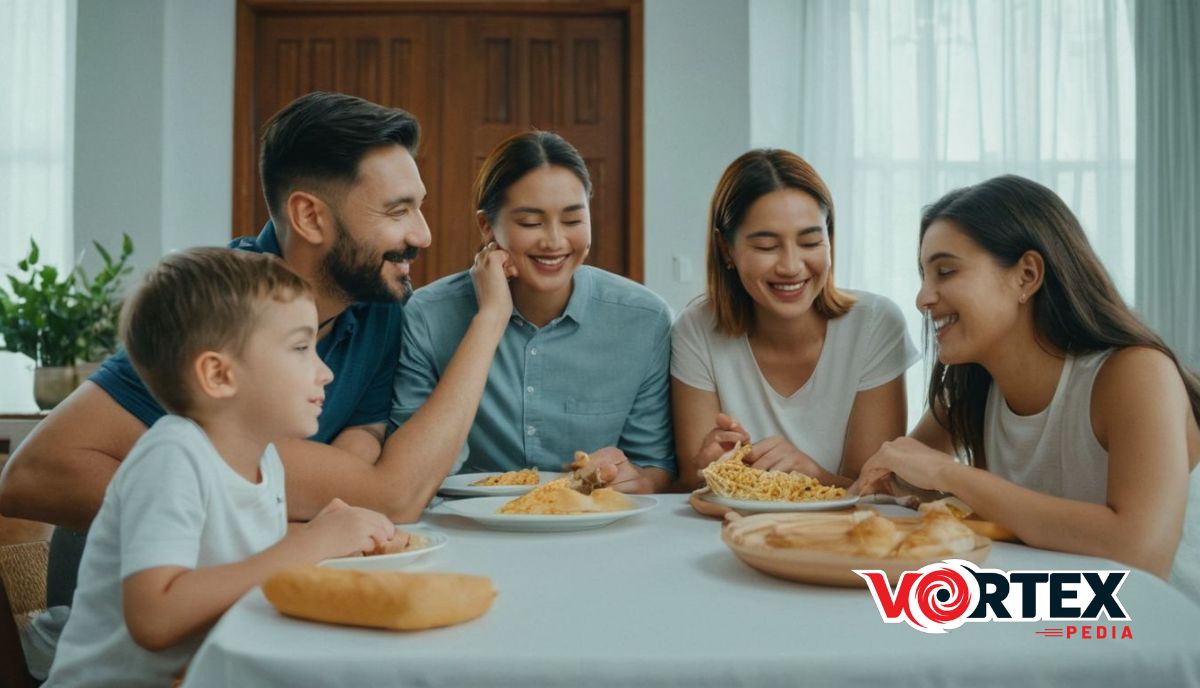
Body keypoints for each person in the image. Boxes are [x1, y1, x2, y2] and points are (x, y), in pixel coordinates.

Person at [0, 92, 512, 610]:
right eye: (397, 210)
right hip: (135, 615)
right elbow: (30, 477)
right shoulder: (214, 309)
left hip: (268, 593)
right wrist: (263, 526)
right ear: (310, 217)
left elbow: (363, 473)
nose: (422, 234)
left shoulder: (378, 305)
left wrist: (311, 505)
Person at [43, 248, 397, 687]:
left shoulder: (264, 457)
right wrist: (307, 545)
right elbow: (154, 617)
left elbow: (240, 567)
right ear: (219, 375)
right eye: (301, 347)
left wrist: (326, 538)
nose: (324, 372)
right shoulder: (172, 456)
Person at [851, 175, 1200, 604]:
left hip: (1168, 638)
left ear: (1027, 275)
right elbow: (899, 477)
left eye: (945, 271)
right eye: (923, 275)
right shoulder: (973, 384)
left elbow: (1142, 552)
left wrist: (948, 474)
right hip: (1067, 617)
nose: (923, 297)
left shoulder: (1134, 373)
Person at [391, 131, 675, 492]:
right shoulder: (427, 316)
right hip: (467, 527)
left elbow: (655, 464)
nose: (554, 241)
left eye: (572, 221)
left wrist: (640, 479)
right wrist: (490, 318)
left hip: (589, 527)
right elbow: (417, 473)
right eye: (530, 223)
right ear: (486, 226)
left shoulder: (644, 320)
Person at [672, 149, 918, 491]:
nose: (791, 266)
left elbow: (876, 489)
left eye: (810, 242)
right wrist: (709, 468)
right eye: (767, 246)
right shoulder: (696, 329)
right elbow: (690, 483)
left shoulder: (875, 324)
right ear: (726, 249)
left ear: (829, 241)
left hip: (845, 539)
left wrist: (811, 474)